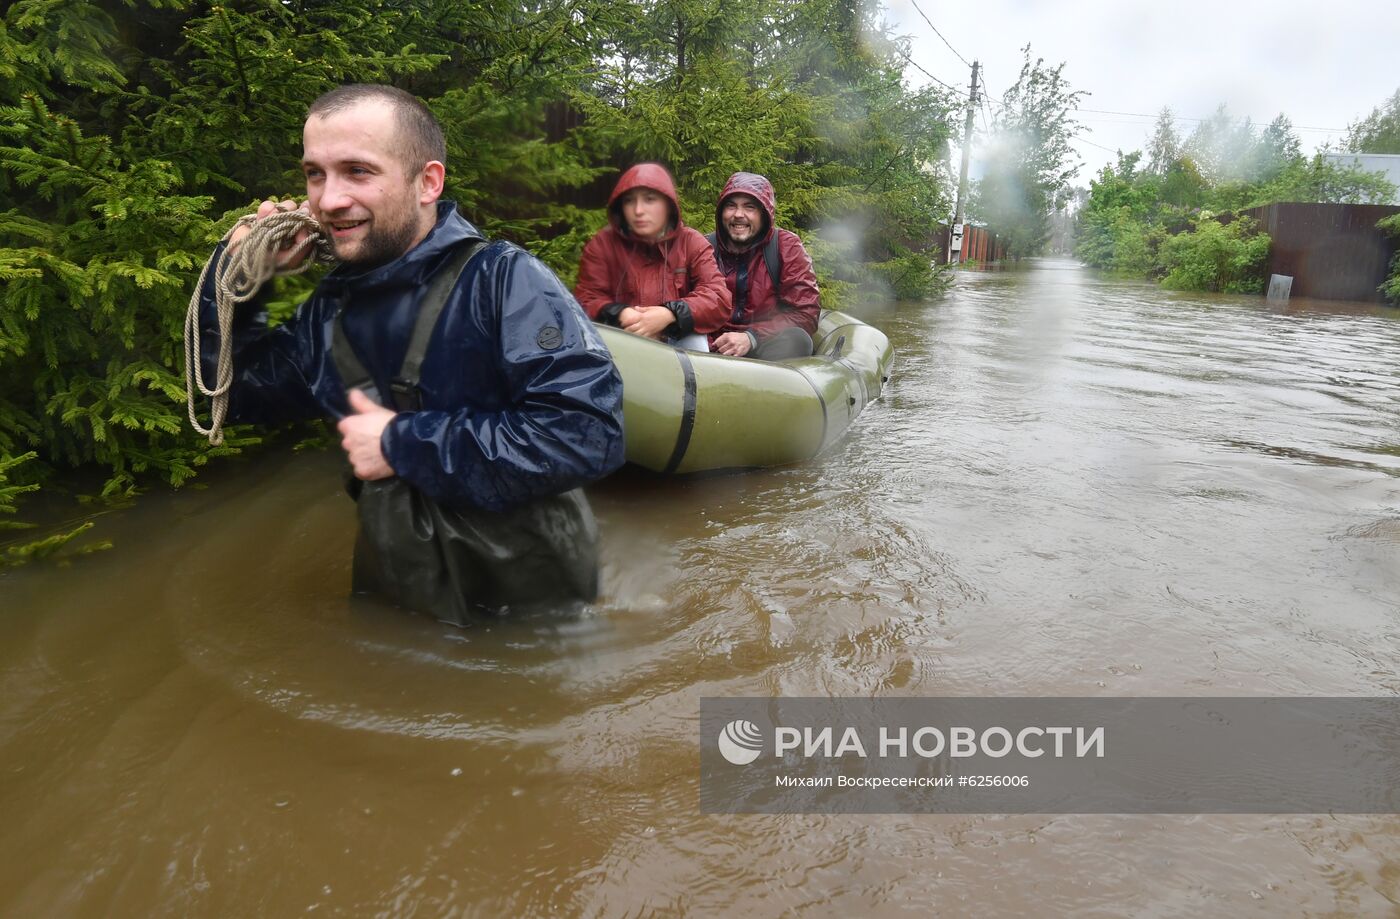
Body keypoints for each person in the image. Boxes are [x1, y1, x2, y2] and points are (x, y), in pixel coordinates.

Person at [195, 84, 625, 623]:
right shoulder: (327, 312)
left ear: (427, 182)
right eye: (314, 174)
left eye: (358, 171)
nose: (327, 200)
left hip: (533, 602)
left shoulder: (504, 280)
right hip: (401, 593)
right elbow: (231, 394)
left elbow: (588, 435)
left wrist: (401, 443)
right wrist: (241, 277)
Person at [574, 163, 731, 351]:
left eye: (649, 199)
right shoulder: (603, 244)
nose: (638, 210)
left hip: (677, 345)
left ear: (668, 204)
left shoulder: (690, 242)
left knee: (696, 341)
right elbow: (586, 298)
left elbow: (717, 296)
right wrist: (620, 314)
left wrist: (669, 314)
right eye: (629, 201)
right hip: (619, 341)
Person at [707, 172, 821, 360]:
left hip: (763, 346)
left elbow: (805, 313)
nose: (738, 215)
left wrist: (751, 337)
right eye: (731, 206)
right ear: (721, 213)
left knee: (798, 340)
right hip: (710, 346)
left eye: (749, 207)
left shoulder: (786, 247)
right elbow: (688, 304)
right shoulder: (705, 248)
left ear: (764, 214)